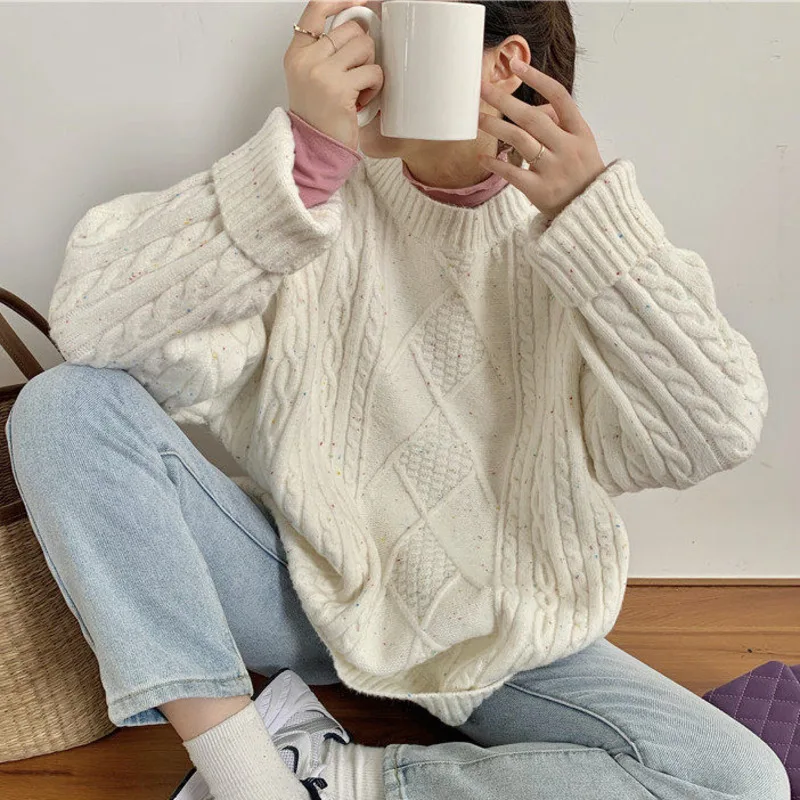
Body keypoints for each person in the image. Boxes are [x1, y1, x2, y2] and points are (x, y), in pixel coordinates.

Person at [6, 1, 788, 799]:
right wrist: (298, 168)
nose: (363, 47)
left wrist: (594, 226)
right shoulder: (308, 197)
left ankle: (330, 774)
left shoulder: (580, 238)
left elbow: (714, 432)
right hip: (302, 590)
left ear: (502, 64)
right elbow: (90, 328)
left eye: (396, 24)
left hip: (508, 633)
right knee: (65, 408)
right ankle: (245, 775)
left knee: (742, 781)